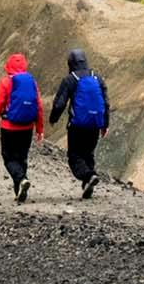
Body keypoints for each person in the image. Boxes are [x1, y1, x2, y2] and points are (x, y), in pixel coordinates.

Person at [47, 48, 111, 199]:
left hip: (77, 126)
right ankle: (88, 183)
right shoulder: (97, 78)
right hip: (95, 124)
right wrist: (105, 124)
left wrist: (53, 118)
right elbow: (106, 103)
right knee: (88, 154)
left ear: (71, 63)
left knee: (74, 156)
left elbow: (59, 104)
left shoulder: (70, 79)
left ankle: (89, 177)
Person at [0, 50, 42, 202]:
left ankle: (21, 179)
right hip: (27, 127)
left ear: (8, 66)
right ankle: (20, 190)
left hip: (9, 127)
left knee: (9, 157)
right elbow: (38, 106)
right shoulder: (32, 82)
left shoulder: (6, 82)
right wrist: (40, 129)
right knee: (22, 157)